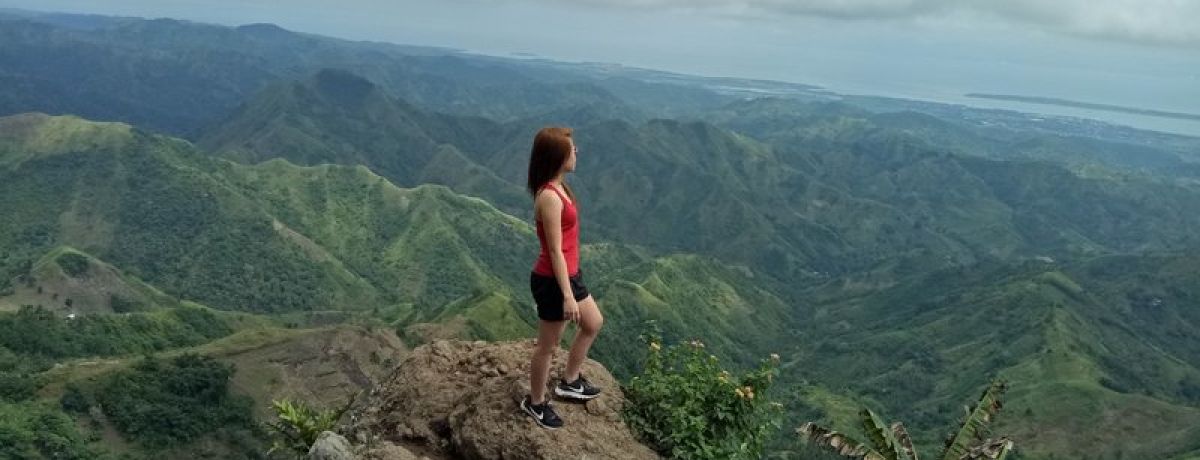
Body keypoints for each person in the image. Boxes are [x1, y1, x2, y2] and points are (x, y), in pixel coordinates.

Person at [520, 127, 604, 429]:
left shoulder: (561, 188)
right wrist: (567, 295)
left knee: (593, 323)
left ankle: (569, 381)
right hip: (553, 280)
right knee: (548, 346)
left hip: (569, 274)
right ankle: (536, 402)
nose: (576, 152)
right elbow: (554, 251)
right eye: (572, 149)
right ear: (558, 157)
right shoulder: (549, 197)